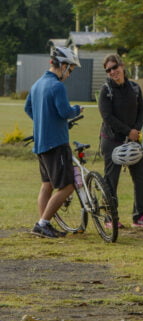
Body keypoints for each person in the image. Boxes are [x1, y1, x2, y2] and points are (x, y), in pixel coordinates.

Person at [25, 46, 83, 238]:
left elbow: (28, 108)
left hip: (41, 144)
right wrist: (77, 109)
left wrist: (43, 121)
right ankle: (43, 223)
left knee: (47, 185)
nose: (70, 74)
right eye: (71, 69)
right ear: (63, 65)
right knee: (67, 186)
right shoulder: (57, 86)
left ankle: (44, 225)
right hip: (56, 144)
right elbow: (65, 112)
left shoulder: (37, 84)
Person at [98, 54, 143, 228]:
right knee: (111, 179)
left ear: (122, 66)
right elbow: (107, 116)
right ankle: (110, 218)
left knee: (142, 175)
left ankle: (140, 216)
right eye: (108, 70)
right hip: (112, 140)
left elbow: (142, 110)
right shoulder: (105, 91)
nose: (113, 72)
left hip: (133, 140)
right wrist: (127, 131)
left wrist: (136, 130)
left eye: (115, 67)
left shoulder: (135, 88)